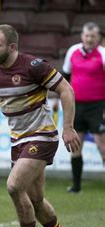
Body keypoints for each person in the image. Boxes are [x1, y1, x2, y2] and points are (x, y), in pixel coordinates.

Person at [0, 24, 81, 227]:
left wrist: (68, 127)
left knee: (13, 186)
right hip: (18, 140)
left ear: (11, 47)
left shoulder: (34, 66)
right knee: (36, 201)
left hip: (42, 136)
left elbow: (66, 89)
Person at [61, 22, 105, 193]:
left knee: (102, 145)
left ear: (98, 38)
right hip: (76, 105)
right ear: (82, 36)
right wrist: (59, 98)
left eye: (93, 36)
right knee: (75, 144)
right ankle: (76, 186)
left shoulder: (102, 54)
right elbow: (65, 76)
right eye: (86, 35)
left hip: (98, 106)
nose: (89, 39)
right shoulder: (72, 51)